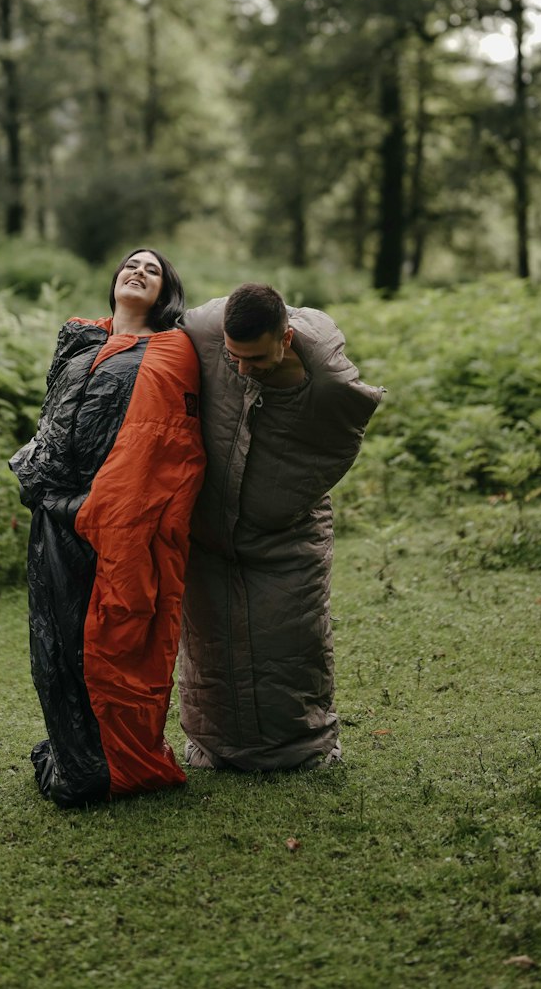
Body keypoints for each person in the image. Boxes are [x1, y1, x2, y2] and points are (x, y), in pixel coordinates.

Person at [9, 248, 205, 808]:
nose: (138, 271)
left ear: (165, 292)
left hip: (117, 518)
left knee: (115, 635)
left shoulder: (172, 352)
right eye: (130, 264)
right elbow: (51, 418)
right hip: (55, 510)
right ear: (115, 279)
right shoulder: (80, 341)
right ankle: (75, 752)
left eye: (153, 269)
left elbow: (164, 445)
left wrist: (98, 508)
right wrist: (43, 487)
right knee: (58, 639)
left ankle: (113, 763)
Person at [178, 282, 384, 771]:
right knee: (211, 645)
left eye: (257, 359)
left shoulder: (330, 383)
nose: (244, 369)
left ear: (285, 338)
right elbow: (160, 338)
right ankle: (216, 747)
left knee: (291, 643)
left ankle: (302, 749)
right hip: (210, 536)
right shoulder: (207, 327)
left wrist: (272, 510)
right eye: (236, 359)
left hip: (287, 535)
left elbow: (335, 448)